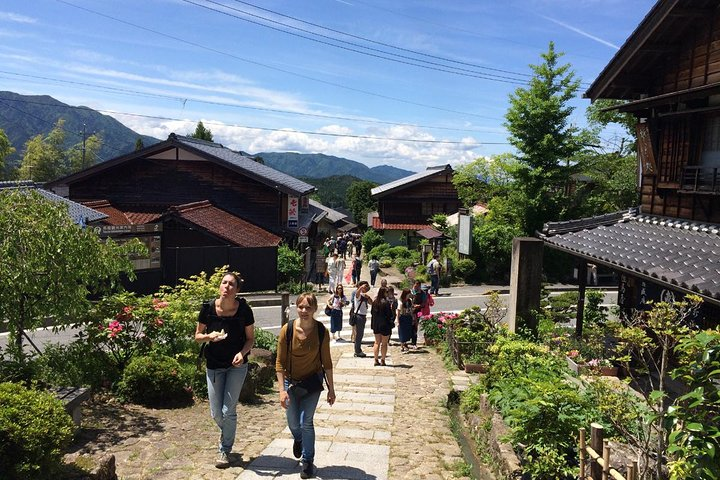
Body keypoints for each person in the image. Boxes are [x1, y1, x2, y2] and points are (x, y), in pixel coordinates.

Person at [195, 272, 255, 468]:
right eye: (224, 283)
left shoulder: (244, 310)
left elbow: (250, 339)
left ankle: (224, 450)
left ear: (237, 290)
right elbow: (197, 336)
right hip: (214, 365)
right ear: (220, 286)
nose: (227, 287)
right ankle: (228, 430)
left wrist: (242, 353)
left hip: (236, 366)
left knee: (228, 410)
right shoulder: (208, 309)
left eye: (231, 284)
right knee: (216, 414)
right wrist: (209, 336)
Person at [276, 293, 336, 479]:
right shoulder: (288, 330)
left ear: (314, 309)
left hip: (312, 382)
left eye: (308, 307)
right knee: (293, 423)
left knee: (306, 421)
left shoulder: (320, 331)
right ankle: (299, 439)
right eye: (300, 307)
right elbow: (279, 362)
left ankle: (307, 461)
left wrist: (332, 389)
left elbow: (327, 362)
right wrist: (281, 390)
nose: (303, 311)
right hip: (291, 382)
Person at [370, 286, 393, 366]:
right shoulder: (386, 303)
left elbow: (372, 313)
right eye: (387, 292)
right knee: (384, 343)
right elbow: (389, 314)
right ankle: (383, 360)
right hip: (385, 324)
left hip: (376, 324)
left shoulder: (375, 302)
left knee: (376, 342)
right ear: (384, 293)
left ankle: (376, 360)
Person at [353, 280, 372, 357]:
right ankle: (357, 351)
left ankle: (358, 349)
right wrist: (361, 287)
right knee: (359, 334)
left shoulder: (364, 296)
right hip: (359, 316)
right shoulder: (358, 295)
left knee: (360, 334)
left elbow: (371, 303)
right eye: (365, 287)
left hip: (363, 316)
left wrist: (368, 297)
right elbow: (357, 294)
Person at [410, 280, 426, 349]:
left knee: (415, 326)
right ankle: (409, 340)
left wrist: (419, 306)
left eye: (418, 286)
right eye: (415, 286)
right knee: (410, 325)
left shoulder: (422, 293)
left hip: (418, 311)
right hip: (410, 311)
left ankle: (414, 342)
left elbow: (424, 303)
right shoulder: (411, 292)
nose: (416, 288)